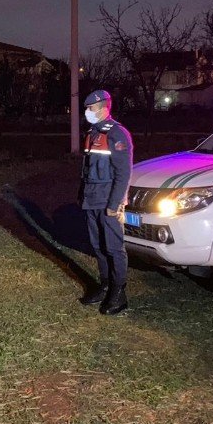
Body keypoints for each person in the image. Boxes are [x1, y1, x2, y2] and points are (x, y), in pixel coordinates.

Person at [78, 89, 134, 315]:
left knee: (114, 248)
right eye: (87, 109)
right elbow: (87, 169)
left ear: (104, 108)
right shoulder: (92, 133)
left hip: (108, 200)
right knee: (98, 246)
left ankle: (119, 293)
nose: (87, 112)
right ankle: (105, 285)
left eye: (91, 109)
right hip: (91, 199)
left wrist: (115, 204)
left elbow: (124, 173)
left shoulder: (117, 134)